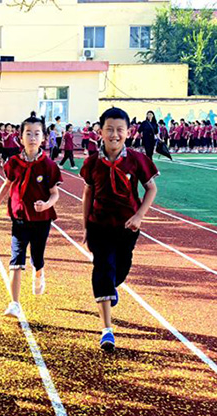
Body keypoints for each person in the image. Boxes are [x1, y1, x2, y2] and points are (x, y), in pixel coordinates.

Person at [80, 107, 158, 352]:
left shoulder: (136, 160)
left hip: (127, 226)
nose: (114, 134)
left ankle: (112, 287)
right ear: (100, 132)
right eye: (109, 129)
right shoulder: (92, 162)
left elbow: (151, 188)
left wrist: (139, 216)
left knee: (120, 270)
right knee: (102, 269)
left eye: (119, 130)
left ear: (128, 132)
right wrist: (85, 227)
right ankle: (107, 330)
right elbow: (88, 192)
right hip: (99, 225)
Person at [0, 116, 61, 318]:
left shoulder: (48, 165)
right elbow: (7, 184)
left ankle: (39, 273)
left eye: (36, 133)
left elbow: (55, 193)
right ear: (20, 138)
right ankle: (14, 303)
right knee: (16, 258)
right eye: (27, 133)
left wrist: (46, 204)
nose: (32, 137)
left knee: (37, 257)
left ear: (44, 138)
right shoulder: (14, 163)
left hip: (41, 220)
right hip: (19, 218)